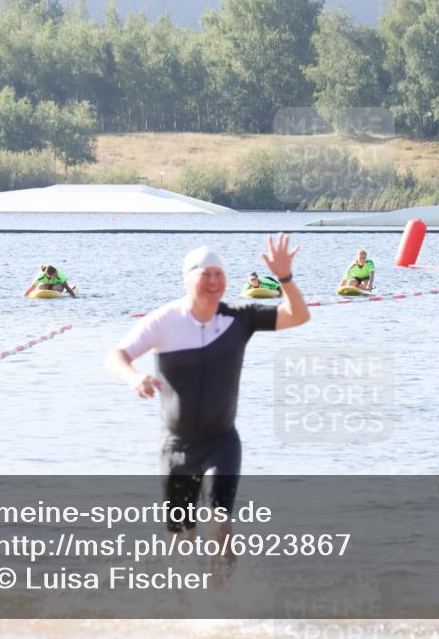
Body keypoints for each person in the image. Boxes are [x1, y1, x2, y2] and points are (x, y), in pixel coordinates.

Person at [105, 234, 309, 580]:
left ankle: (222, 602)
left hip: (221, 443)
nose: (214, 282)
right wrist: (134, 377)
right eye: (206, 275)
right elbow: (116, 356)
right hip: (176, 448)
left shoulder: (239, 318)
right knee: (180, 539)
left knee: (219, 527)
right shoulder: (164, 320)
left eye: (219, 274)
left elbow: (298, 316)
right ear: (188, 280)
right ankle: (179, 604)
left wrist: (285, 278)